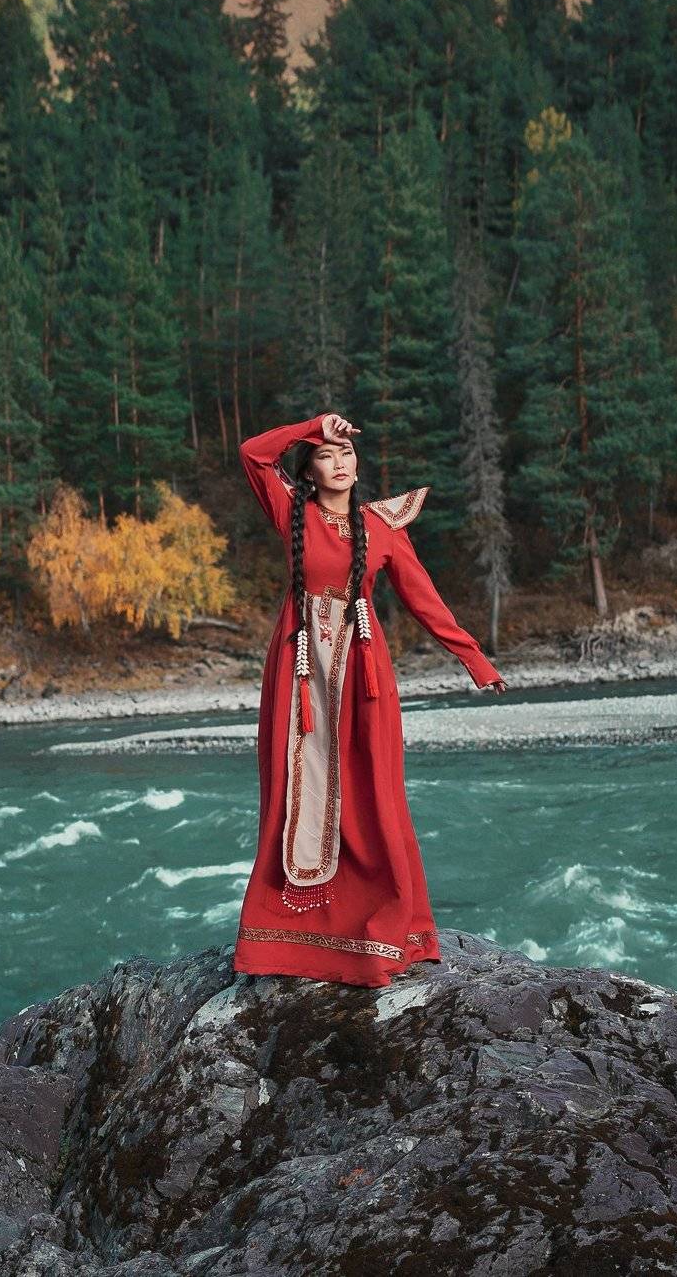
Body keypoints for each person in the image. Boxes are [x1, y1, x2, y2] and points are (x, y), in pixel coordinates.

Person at [232, 410, 507, 988]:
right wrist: (314, 427)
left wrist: (474, 660)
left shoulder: (381, 528)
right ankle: (296, 932)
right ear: (308, 468)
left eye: (347, 454)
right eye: (328, 456)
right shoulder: (292, 512)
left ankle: (383, 925)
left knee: (373, 790)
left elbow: (424, 600)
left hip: (363, 675)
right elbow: (255, 452)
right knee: (294, 786)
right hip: (299, 669)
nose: (340, 463)